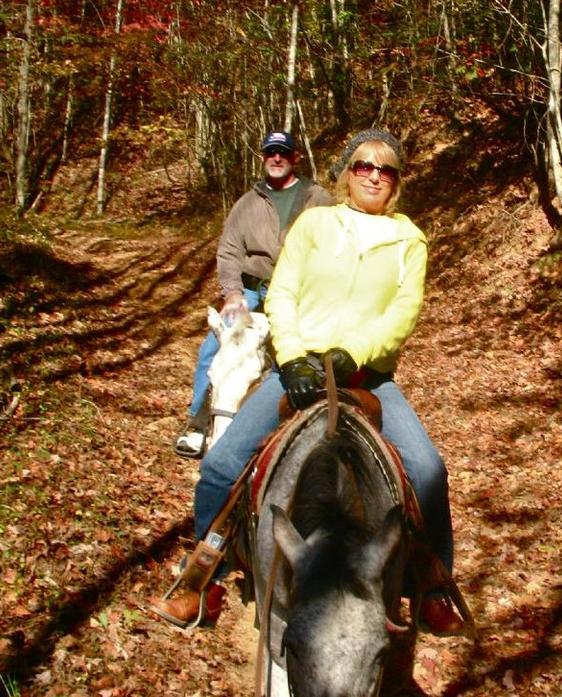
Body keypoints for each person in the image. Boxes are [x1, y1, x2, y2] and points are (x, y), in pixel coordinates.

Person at [152, 129, 464, 636]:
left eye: (386, 170)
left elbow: (403, 313)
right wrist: (294, 359)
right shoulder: (314, 224)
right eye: (363, 165)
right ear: (346, 172)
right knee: (221, 464)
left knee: (428, 471)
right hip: (298, 369)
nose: (374, 176)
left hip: (368, 376)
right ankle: (203, 580)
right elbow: (282, 293)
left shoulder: (410, 238)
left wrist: (353, 354)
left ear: (397, 182)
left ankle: (430, 585)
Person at [174, 130, 333, 458]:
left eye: (283, 153)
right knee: (215, 346)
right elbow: (229, 252)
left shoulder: (318, 199)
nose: (276, 158)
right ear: (262, 157)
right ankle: (198, 423)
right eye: (271, 152)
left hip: (302, 292)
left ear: (295, 158)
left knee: (312, 349)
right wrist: (233, 293)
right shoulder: (246, 204)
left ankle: (316, 426)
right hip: (253, 290)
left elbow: (336, 248)